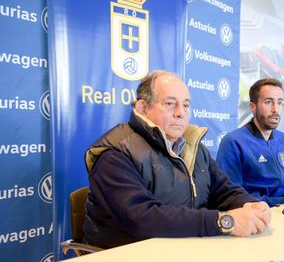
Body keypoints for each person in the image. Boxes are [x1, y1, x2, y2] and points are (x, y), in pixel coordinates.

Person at [83, 70, 271, 248]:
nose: (181, 113)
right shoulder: (115, 153)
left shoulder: (194, 149)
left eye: (186, 105)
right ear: (142, 108)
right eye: (170, 104)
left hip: (183, 247)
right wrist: (225, 222)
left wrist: (250, 204)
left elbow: (223, 190)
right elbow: (142, 219)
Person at [216, 78, 284, 207]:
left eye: (279, 102)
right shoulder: (233, 142)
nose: (276, 109)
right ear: (252, 107)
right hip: (253, 215)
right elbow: (230, 197)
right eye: (268, 102)